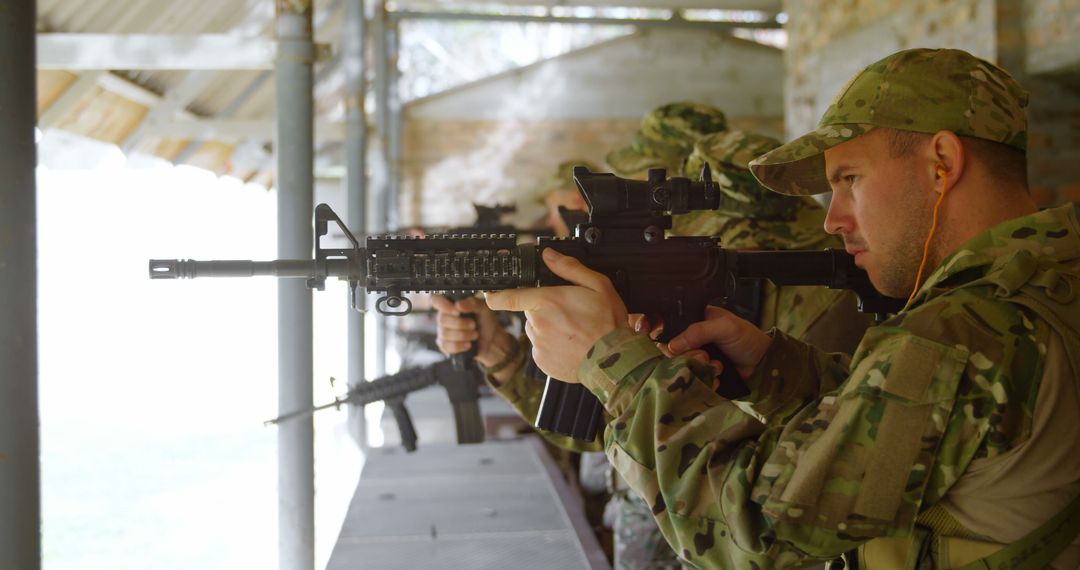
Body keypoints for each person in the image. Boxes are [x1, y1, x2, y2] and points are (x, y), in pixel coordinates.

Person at [486, 47, 1080, 569]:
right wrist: (776, 370)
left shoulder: (963, 332)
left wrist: (610, 362)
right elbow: (943, 422)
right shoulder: (1045, 280)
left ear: (942, 163)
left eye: (850, 178)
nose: (832, 219)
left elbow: (751, 530)